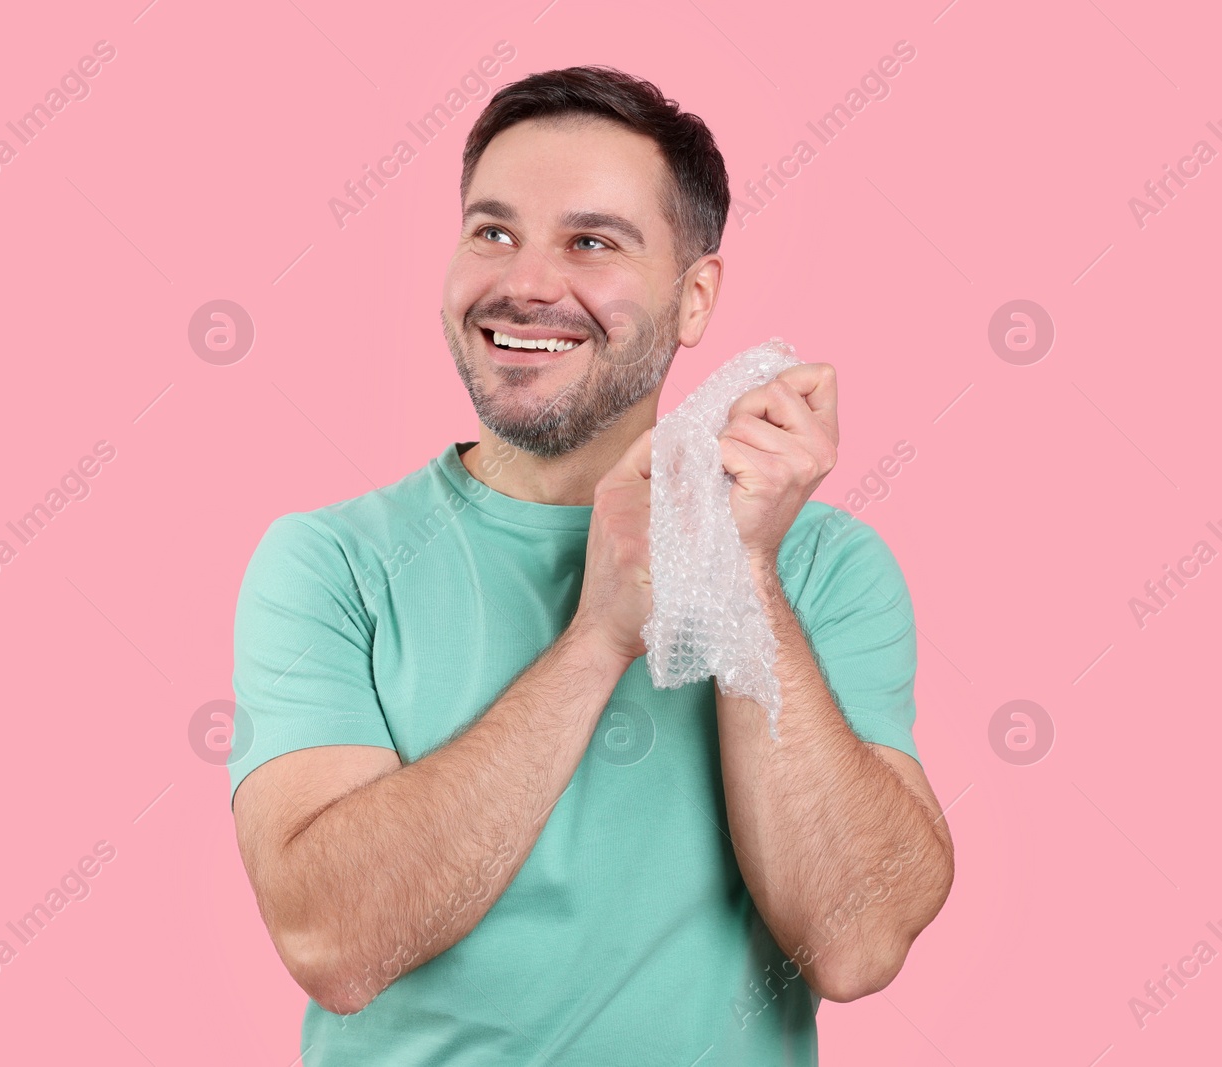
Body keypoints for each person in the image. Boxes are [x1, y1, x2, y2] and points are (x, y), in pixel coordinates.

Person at [227, 64, 954, 1065]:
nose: (524, 282)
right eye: (492, 231)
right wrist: (598, 634)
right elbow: (336, 942)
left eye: (590, 241)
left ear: (693, 298)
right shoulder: (332, 563)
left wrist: (738, 569)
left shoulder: (823, 567)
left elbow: (855, 940)